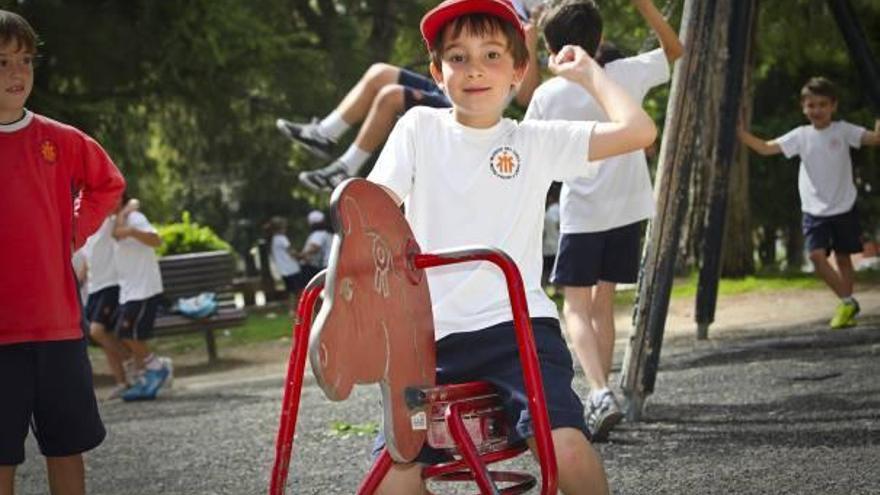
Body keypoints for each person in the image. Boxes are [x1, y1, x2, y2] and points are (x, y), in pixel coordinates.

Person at [366, 0, 656, 492]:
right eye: (457, 57)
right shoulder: (419, 129)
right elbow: (373, 212)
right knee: (395, 470)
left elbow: (639, 131)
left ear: (520, 70)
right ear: (437, 72)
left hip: (517, 329)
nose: (475, 69)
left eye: (493, 55)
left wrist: (589, 75)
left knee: (561, 443)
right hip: (429, 339)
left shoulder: (533, 140)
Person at [524, 0, 683, 442]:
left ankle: (597, 392)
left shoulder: (548, 95)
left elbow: (534, 154)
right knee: (603, 303)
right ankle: (603, 392)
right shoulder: (625, 74)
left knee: (574, 304)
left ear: (554, 48)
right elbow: (675, 49)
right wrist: (647, 8)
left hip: (584, 211)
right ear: (598, 40)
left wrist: (529, 37)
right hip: (629, 206)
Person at [0, 10, 125, 495]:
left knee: (66, 446)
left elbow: (107, 184)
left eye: (26, 60)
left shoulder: (60, 139)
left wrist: (70, 230)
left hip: (56, 324)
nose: (17, 73)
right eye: (2, 61)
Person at [277, 0, 545, 192]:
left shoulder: (528, 17)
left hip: (470, 103)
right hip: (446, 85)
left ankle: (345, 168)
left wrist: (530, 44)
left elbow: (526, 97)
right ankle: (324, 134)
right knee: (379, 73)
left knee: (392, 95)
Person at [739, 76, 880, 329]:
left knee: (844, 257)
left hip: (843, 205)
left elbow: (875, 139)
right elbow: (764, 148)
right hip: (814, 209)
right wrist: (739, 133)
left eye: (822, 104)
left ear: (833, 106)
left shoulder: (843, 130)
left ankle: (846, 309)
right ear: (804, 108)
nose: (817, 110)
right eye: (811, 105)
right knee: (816, 256)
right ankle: (848, 301)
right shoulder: (801, 136)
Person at [113, 197, 173, 401]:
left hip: (143, 289)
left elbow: (156, 240)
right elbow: (116, 234)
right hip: (129, 290)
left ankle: (157, 368)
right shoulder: (116, 219)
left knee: (127, 333)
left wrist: (131, 230)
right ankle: (149, 374)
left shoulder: (136, 218)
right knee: (126, 333)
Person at [83, 210, 134, 400]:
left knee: (97, 331)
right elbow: (89, 262)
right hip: (95, 288)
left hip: (111, 286)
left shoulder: (109, 220)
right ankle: (122, 382)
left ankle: (132, 361)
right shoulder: (86, 229)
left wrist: (128, 210)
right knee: (106, 338)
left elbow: (130, 202)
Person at [266, 216, 306, 310]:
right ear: (281, 228)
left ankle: (292, 309)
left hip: (284, 269)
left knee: (291, 292)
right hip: (291, 268)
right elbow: (291, 252)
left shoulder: (273, 239)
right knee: (299, 290)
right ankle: (300, 308)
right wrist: (301, 256)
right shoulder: (282, 238)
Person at [298, 210, 333, 281]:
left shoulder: (318, 233)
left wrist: (300, 255)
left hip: (321, 265)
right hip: (329, 263)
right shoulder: (327, 233)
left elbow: (315, 248)